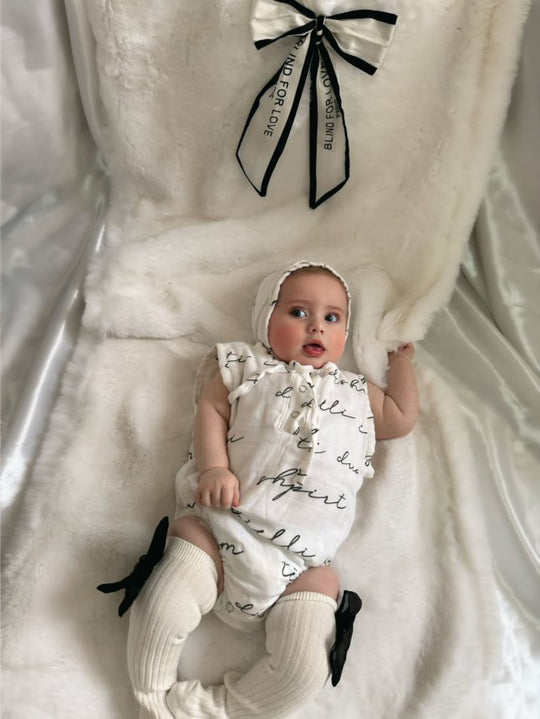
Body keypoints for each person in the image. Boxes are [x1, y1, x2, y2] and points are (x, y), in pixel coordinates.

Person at [100, 260, 418, 718]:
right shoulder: (247, 367)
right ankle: (152, 695)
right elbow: (211, 410)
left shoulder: (355, 391)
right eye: (298, 312)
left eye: (332, 317)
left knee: (305, 668)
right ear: (266, 318)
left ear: (345, 333)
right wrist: (214, 468)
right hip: (221, 530)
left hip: (302, 566)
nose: (316, 325)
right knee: (166, 600)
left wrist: (401, 364)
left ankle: (216, 710)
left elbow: (400, 418)